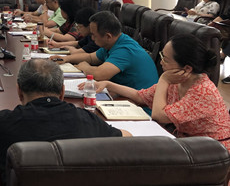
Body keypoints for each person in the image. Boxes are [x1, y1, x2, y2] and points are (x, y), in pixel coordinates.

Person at [0, 59, 130, 179]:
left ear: (19, 91)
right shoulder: (87, 120)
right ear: (62, 92)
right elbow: (127, 140)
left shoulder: (3, 123)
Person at [93, 34, 230, 151]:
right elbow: (140, 96)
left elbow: (158, 116)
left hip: (213, 151)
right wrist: (108, 84)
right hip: (189, 143)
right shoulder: (178, 80)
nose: (161, 62)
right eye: (162, 56)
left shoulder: (202, 91)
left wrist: (164, 80)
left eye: (166, 59)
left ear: (187, 68)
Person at [52, 11, 158, 90]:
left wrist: (86, 67)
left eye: (94, 35)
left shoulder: (125, 50)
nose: (92, 38)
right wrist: (66, 59)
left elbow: (100, 75)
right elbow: (90, 57)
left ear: (108, 36)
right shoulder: (112, 43)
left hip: (139, 106)